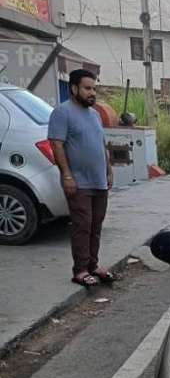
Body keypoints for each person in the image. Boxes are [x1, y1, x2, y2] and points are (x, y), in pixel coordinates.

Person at [49, 69, 114, 288]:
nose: (92, 93)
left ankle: (93, 265)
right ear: (74, 88)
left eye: (94, 88)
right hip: (78, 182)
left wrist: (109, 170)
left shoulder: (95, 114)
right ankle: (80, 270)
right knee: (82, 225)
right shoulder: (62, 112)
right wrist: (66, 175)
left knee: (96, 225)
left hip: (99, 181)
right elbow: (57, 145)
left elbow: (101, 145)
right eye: (87, 88)